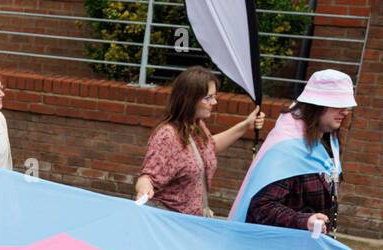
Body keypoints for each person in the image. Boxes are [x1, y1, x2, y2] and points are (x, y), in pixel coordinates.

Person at [231, 69, 355, 235]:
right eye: (338, 104)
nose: (345, 111)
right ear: (317, 106)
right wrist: (305, 221)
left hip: (308, 247)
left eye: (346, 105)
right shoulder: (288, 148)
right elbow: (261, 206)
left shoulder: (328, 139)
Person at [135, 66, 263, 216]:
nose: (214, 102)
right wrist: (143, 189)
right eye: (208, 97)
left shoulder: (196, 125)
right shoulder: (167, 135)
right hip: (169, 223)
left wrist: (246, 125)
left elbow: (209, 147)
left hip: (191, 222)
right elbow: (148, 176)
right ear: (189, 99)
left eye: (214, 96)